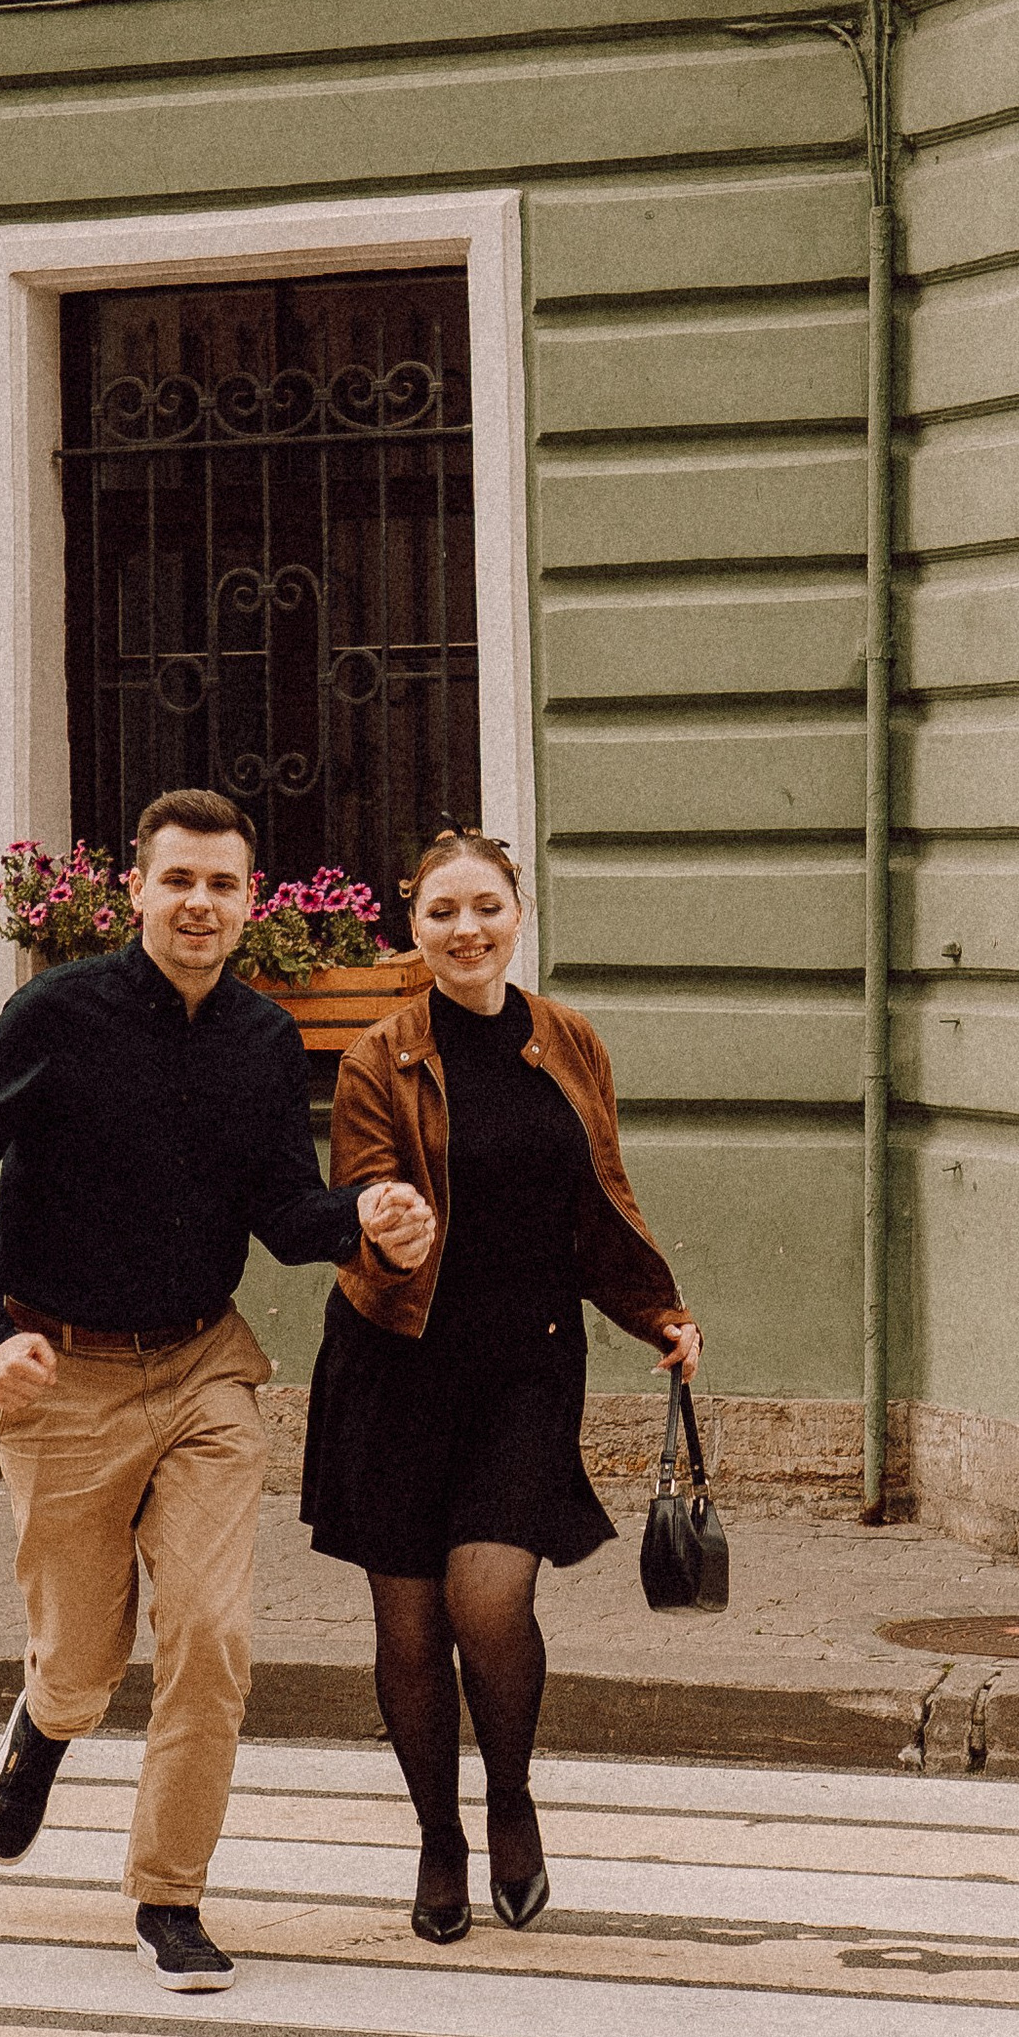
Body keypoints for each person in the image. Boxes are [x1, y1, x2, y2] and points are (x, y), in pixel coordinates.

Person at [0, 788, 434, 1994]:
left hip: (207, 1369)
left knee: (209, 1634)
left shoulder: (262, 1039)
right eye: (179, 881)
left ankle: (170, 1894)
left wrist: (363, 1217)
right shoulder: (55, 1015)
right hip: (64, 1377)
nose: (200, 904)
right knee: (82, 1662)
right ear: (136, 892)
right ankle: (43, 1725)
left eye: (223, 885)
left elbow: (281, 1213)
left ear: (249, 903)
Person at [301, 827, 701, 1942]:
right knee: (409, 1628)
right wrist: (385, 1226)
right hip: (395, 1367)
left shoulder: (567, 1040)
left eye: (485, 907)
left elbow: (599, 1196)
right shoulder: (378, 1059)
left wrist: (655, 1311)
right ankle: (439, 1837)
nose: (466, 930)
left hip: (527, 1364)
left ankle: (510, 1796)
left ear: (518, 915)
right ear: (412, 930)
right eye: (442, 913)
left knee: (489, 1601)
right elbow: (361, 1203)